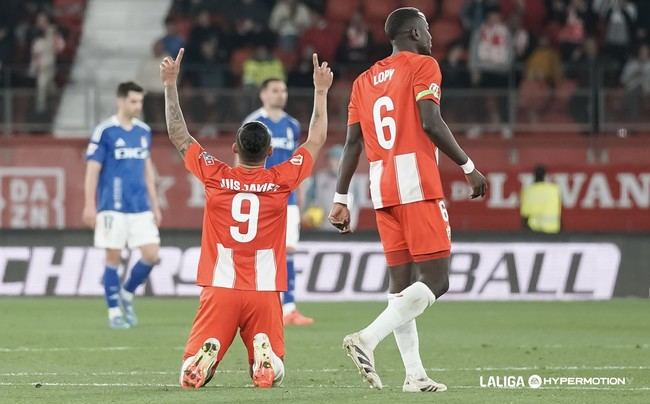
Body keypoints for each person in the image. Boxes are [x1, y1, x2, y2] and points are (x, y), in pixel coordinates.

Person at [328, 7, 487, 393]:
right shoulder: (422, 65)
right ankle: (367, 338)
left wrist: (341, 197)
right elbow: (430, 122)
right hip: (416, 183)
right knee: (437, 280)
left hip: (382, 187)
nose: (431, 35)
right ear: (414, 33)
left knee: (401, 287)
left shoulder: (363, 81)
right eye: (427, 28)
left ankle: (414, 375)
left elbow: (352, 143)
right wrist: (468, 166)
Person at [160, 48, 332, 389]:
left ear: (235, 149)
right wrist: (321, 91)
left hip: (220, 288)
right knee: (276, 373)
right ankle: (263, 355)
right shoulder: (281, 180)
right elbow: (316, 139)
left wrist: (169, 84)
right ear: (270, 152)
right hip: (265, 291)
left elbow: (179, 136)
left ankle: (202, 358)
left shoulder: (215, 175)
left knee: (186, 377)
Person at [83, 81, 162, 329]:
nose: (138, 106)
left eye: (140, 101)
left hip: (140, 206)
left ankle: (127, 294)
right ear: (121, 101)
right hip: (112, 205)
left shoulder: (143, 131)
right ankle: (114, 312)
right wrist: (89, 204)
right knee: (113, 258)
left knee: (152, 254)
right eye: (133, 101)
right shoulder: (105, 131)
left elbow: (147, 169)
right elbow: (92, 170)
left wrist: (155, 204)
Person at [243, 78, 314, 325]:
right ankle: (259, 304)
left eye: (283, 90)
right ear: (263, 94)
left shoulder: (291, 125)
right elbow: (242, 159)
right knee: (261, 252)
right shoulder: (254, 122)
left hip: (288, 197)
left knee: (289, 250)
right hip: (261, 197)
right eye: (275, 90)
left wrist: (301, 195)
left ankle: (290, 308)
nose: (280, 94)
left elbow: (297, 161)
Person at [302, 144, 363, 231]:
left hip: (344, 229)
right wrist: (307, 213)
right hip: (322, 228)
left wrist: (353, 223)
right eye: (330, 159)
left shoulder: (353, 180)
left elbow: (357, 204)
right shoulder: (319, 177)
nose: (330, 162)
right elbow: (309, 197)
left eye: (333, 159)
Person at [520, 165, 561, 233]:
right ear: (545, 176)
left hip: (533, 230)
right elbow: (560, 211)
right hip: (552, 230)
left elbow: (524, 215)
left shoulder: (528, 190)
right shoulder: (554, 189)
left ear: (534, 176)